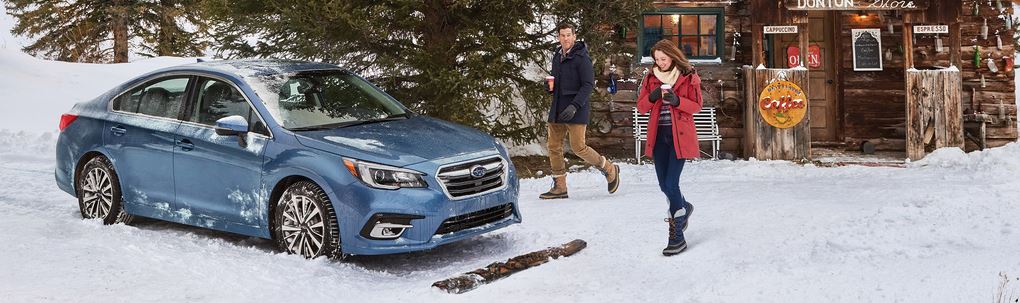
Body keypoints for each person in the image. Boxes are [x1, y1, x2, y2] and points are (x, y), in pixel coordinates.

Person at [636, 39, 703, 256]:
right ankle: (684, 207)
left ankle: (677, 236)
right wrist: (653, 96)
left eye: (663, 59)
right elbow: (641, 107)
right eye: (656, 59)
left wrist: (677, 101)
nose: (660, 63)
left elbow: (696, 106)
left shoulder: (688, 77)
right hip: (659, 137)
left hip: (679, 138)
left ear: (673, 57)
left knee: (671, 183)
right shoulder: (650, 78)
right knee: (663, 185)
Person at [540, 23, 620, 200]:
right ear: (558, 37)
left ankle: (609, 168)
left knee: (578, 147)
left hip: (576, 108)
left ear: (574, 36)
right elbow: (558, 81)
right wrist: (550, 88)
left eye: (568, 35)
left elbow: (588, 85)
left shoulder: (581, 57)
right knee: (553, 146)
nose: (565, 38)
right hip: (558, 107)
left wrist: (574, 106)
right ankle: (560, 186)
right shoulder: (557, 56)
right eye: (562, 35)